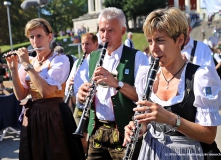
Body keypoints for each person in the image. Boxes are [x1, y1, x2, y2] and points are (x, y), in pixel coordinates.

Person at [123, 7, 221, 160]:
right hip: (152, 152)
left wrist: (172, 119)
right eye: (150, 41)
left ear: (180, 40)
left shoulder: (200, 77)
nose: (153, 48)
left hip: (188, 154)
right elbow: (146, 121)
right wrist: (138, 128)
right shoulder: (146, 75)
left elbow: (209, 135)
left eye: (160, 40)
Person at [4, 18, 85, 160]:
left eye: (39, 36)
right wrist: (14, 71)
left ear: (50, 37)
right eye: (32, 37)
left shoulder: (59, 60)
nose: (35, 41)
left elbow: (46, 91)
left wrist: (27, 66)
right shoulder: (29, 62)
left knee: (57, 153)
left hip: (54, 116)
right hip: (33, 116)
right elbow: (21, 96)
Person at [76, 7, 149, 159]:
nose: (105, 36)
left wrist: (116, 83)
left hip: (124, 133)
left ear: (123, 31)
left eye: (111, 31)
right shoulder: (92, 57)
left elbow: (143, 97)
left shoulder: (138, 57)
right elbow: (80, 95)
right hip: (96, 130)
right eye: (102, 30)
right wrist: (81, 95)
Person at [65, 32, 99, 155]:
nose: (84, 47)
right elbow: (69, 83)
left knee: (93, 141)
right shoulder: (78, 62)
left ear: (96, 44)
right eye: (83, 44)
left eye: (88, 44)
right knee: (79, 140)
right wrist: (70, 86)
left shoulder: (101, 60)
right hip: (80, 106)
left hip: (94, 108)